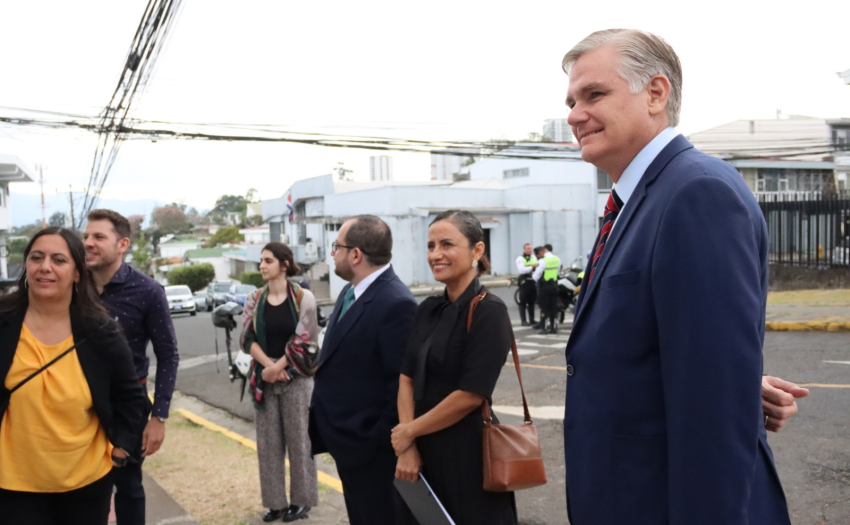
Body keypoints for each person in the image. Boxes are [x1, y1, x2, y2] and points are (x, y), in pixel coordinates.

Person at [560, 29, 791, 524]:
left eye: (594, 94)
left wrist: (733, 388)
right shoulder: (641, 198)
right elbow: (684, 357)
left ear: (656, 93)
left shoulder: (695, 194)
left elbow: (713, 415)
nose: (575, 115)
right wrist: (744, 384)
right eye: (572, 100)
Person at [0, 228, 146, 524]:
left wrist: (120, 450)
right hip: (12, 483)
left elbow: (131, 397)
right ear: (26, 265)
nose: (45, 267)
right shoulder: (4, 321)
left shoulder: (101, 331)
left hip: (86, 481)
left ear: (78, 273)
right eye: (36, 258)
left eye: (59, 260)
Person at [393, 210, 517, 524]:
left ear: (477, 250)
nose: (436, 254)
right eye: (431, 245)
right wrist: (408, 446)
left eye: (447, 244)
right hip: (421, 450)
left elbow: (471, 395)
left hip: (468, 454)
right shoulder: (428, 308)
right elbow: (406, 378)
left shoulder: (490, 310)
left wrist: (408, 431)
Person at [308, 215, 417, 525]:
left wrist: (375, 440)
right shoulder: (351, 290)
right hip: (347, 443)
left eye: (336, 247)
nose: (333, 254)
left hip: (371, 450)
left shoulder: (395, 303)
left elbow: (400, 383)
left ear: (355, 255)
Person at [83, 209, 179, 525]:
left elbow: (168, 355)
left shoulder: (148, 291)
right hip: (77, 401)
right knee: (81, 488)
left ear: (122, 244)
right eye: (86, 236)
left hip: (129, 404)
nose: (88, 243)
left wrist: (159, 416)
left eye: (98, 237)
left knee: (128, 487)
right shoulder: (72, 286)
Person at [241, 242, 319, 523]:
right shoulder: (254, 298)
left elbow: (305, 339)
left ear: (284, 265)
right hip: (265, 380)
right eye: (261, 261)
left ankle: (302, 500)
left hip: (296, 379)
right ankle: (275, 503)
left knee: (301, 441)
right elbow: (247, 338)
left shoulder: (303, 297)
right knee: (268, 444)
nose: (262, 265)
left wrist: (278, 367)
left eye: (268, 261)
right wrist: (268, 368)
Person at [532, 244, 561, 334]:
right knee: (553, 307)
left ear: (544, 251)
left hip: (544, 287)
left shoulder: (542, 261)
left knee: (544, 307)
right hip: (554, 286)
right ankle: (554, 327)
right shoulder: (557, 259)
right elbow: (558, 271)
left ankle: (544, 328)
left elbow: (536, 276)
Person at [514, 243, 538, 326]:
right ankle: (523, 320)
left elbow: (537, 268)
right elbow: (522, 270)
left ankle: (532, 319)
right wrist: (532, 267)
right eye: (528, 249)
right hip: (524, 282)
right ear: (524, 250)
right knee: (523, 302)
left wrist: (533, 268)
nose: (530, 250)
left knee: (532, 302)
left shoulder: (534, 258)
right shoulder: (520, 259)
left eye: (531, 248)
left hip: (532, 281)